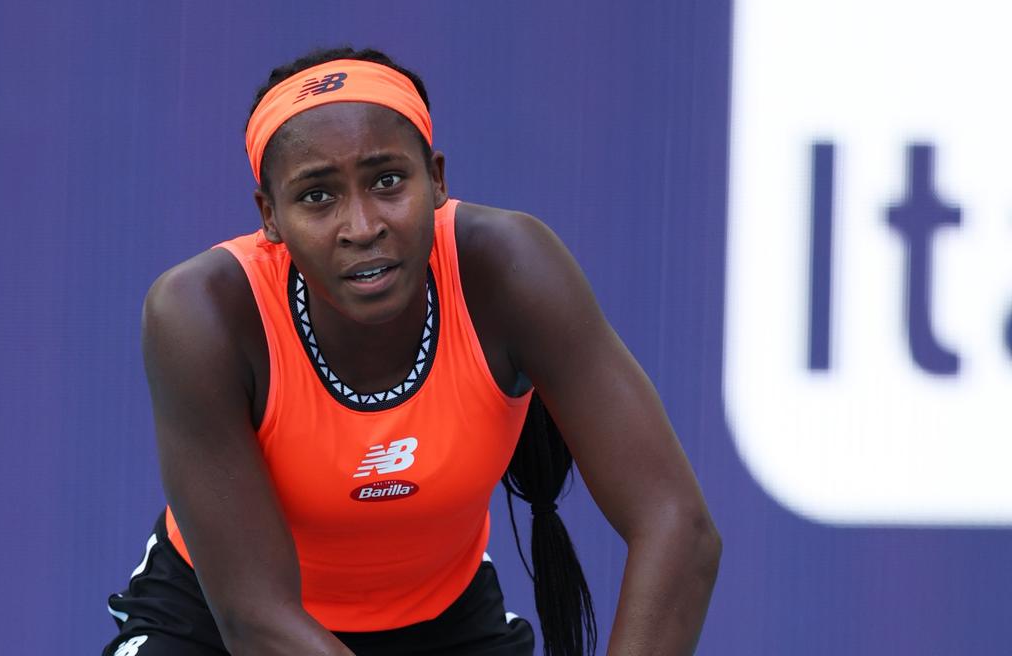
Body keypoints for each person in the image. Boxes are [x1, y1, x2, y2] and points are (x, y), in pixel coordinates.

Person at [104, 47, 720, 656]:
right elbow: (256, 618)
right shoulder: (201, 312)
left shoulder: (511, 269)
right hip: (219, 627)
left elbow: (676, 527)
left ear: (439, 181)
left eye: (388, 180)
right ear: (270, 216)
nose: (362, 225)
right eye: (318, 196)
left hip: (445, 624)